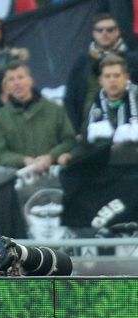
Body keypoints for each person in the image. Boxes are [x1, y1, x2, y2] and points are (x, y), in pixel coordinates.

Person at [60, 54, 138, 231]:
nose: (112, 81)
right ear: (101, 80)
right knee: (71, 176)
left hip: (134, 168)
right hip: (106, 168)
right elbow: (86, 143)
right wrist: (70, 156)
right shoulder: (94, 105)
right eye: (107, 76)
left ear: (126, 77)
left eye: (117, 76)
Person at [0, 61, 76, 173]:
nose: (17, 83)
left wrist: (50, 156)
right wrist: (24, 160)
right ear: (6, 87)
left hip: (55, 173)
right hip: (21, 179)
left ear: (30, 81)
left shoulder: (55, 109)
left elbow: (69, 140)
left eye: (20, 77)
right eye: (11, 79)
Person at [64, 13, 138, 132]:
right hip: (89, 128)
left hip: (129, 125)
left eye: (110, 29)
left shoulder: (133, 60)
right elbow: (70, 99)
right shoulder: (82, 61)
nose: (105, 33)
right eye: (99, 30)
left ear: (118, 32)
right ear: (93, 33)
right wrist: (76, 131)